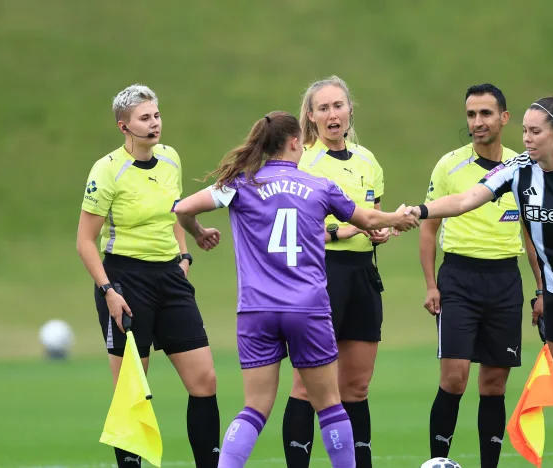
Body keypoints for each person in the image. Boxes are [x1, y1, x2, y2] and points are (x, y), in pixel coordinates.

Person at [410, 89, 553, 468]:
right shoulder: (518, 169)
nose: (527, 140)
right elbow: (466, 199)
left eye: (535, 132)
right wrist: (419, 210)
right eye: (524, 132)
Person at [174, 111, 418, 468]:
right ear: (293, 143)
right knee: (331, 407)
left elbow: (182, 208)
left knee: (254, 408)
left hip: (256, 310)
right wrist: (397, 218)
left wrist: (197, 233)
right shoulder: (318, 186)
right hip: (308, 308)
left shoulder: (240, 184)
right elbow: (365, 219)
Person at [76, 84, 222, 468]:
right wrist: (108, 289)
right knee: (132, 392)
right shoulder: (107, 170)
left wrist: (188, 248)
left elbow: (172, 212)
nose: (154, 124)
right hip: (125, 280)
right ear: (124, 127)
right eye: (145, 118)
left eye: (156, 115)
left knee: (205, 381)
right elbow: (85, 242)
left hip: (170, 280)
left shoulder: (170, 159)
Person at [420, 83, 530, 468]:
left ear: (504, 118)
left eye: (485, 114)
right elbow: (429, 228)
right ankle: (438, 463)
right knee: (454, 378)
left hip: (505, 280)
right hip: (459, 278)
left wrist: (543, 289)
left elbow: (532, 236)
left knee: (494, 384)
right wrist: (431, 284)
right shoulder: (449, 165)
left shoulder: (522, 167)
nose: (477, 122)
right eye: (471, 115)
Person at [282, 76, 389, 468]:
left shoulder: (368, 160)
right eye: (323, 108)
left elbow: (372, 214)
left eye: (338, 106)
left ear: (349, 110)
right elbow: (292, 227)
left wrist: (379, 231)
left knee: (357, 388)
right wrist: (344, 229)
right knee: (307, 387)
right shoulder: (302, 163)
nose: (332, 115)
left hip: (362, 275)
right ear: (310, 117)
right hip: (319, 276)